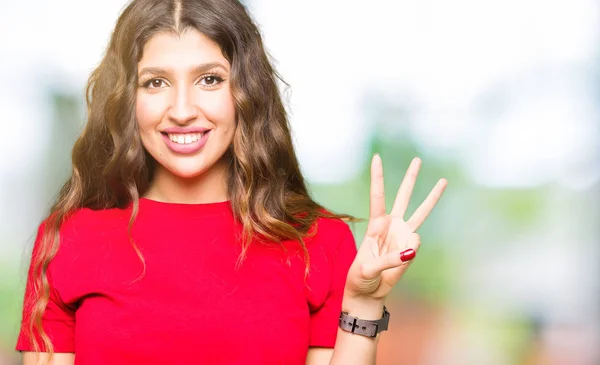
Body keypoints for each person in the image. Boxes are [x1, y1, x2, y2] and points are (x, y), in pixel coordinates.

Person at [16, 0, 447, 364]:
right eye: (156, 82)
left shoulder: (320, 242)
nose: (182, 109)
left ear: (246, 92)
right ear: (128, 99)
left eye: (209, 79)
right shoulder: (68, 239)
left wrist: (365, 303)